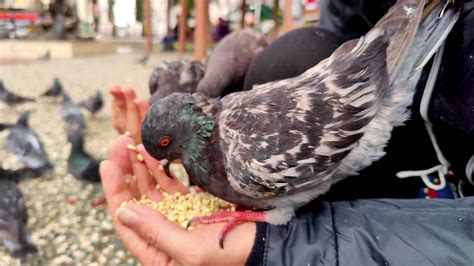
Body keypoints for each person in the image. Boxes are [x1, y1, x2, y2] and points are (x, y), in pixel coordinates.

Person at [102, 1, 474, 264]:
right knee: (293, 52)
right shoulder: (223, 117)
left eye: (167, 147)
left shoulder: (246, 161)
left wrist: (265, 244)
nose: (170, 160)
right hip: (352, 81)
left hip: (370, 116)